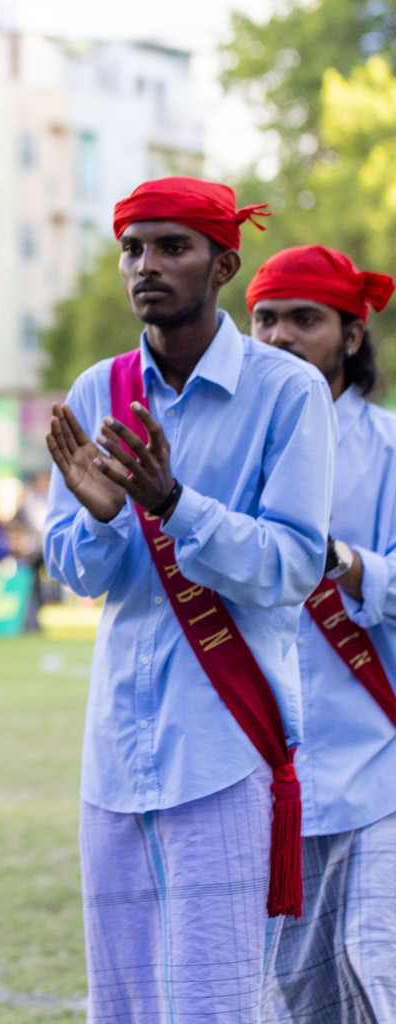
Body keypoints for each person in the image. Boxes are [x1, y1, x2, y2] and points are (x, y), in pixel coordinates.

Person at [42, 176, 336, 1022]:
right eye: (134, 248)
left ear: (225, 265)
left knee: (215, 1004)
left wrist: (175, 505)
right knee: (123, 1007)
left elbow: (289, 566)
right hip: (114, 755)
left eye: (174, 247)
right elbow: (80, 570)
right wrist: (99, 521)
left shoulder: (286, 392)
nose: (148, 265)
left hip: (224, 749)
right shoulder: (101, 387)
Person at [246, 245, 396, 1023]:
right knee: (295, 1005)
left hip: (379, 772)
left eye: (305, 319)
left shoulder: (391, 450)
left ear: (351, 334)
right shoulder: (219, 453)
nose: (279, 337)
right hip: (260, 783)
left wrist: (343, 562)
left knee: (383, 972)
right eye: (264, 318)